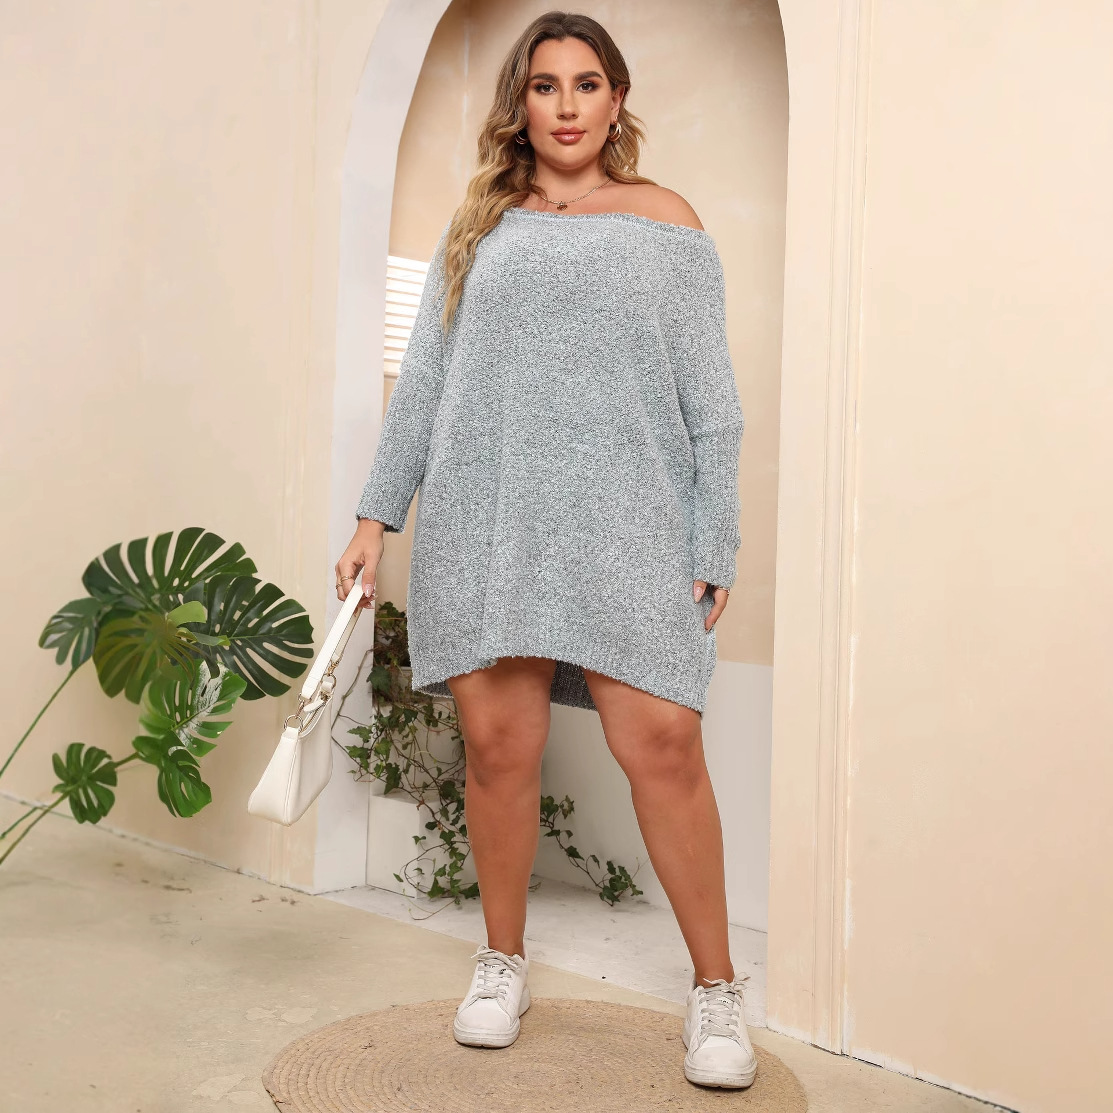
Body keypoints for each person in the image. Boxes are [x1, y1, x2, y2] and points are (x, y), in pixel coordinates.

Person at [335, 10, 755, 1092]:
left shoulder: (667, 221)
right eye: (544, 85)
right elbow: (426, 383)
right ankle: (502, 961)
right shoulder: (480, 223)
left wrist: (713, 531)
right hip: (489, 511)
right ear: (519, 105)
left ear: (617, 101)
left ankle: (715, 989)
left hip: (629, 515)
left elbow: (712, 400)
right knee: (498, 749)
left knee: (664, 742)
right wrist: (376, 515)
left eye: (586, 84)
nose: (566, 106)